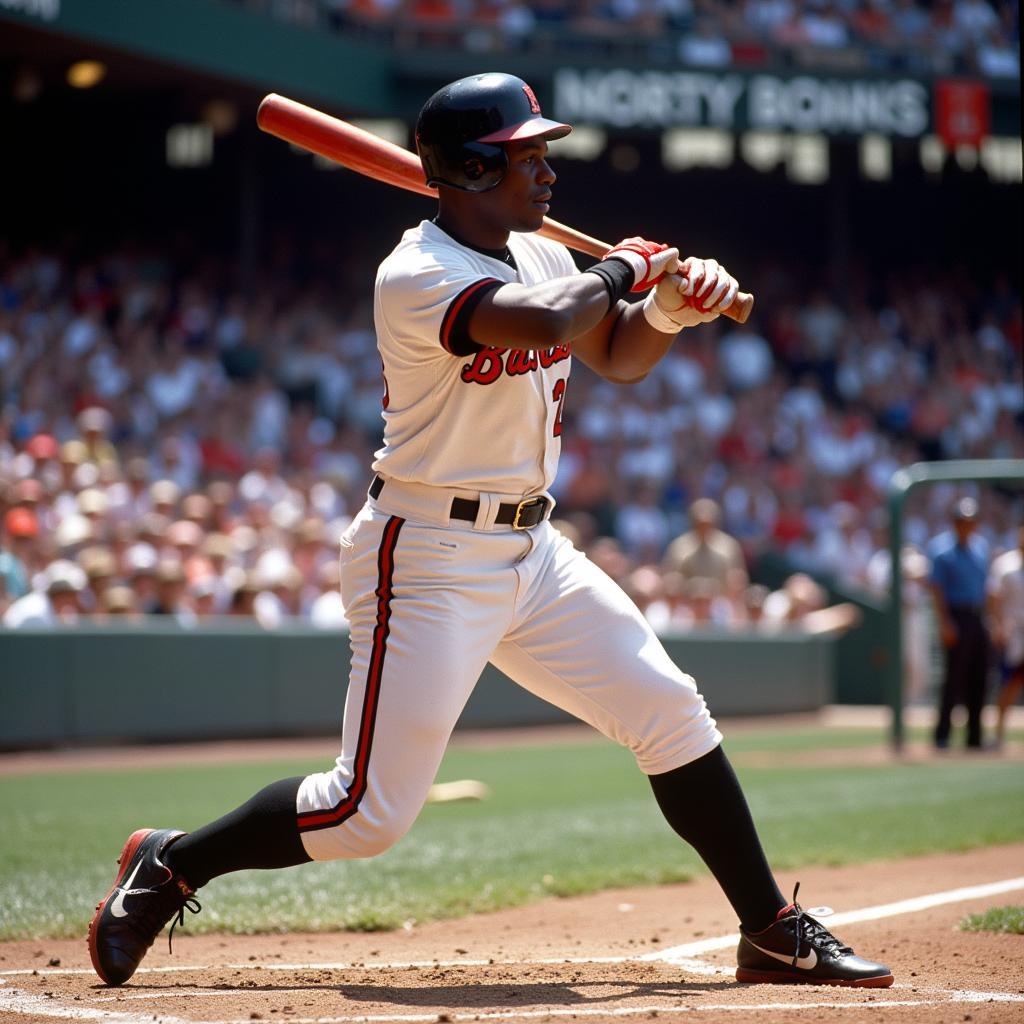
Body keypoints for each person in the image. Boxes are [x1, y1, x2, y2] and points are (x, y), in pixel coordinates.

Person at [88, 72, 892, 991]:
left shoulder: (545, 255)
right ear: (468, 170)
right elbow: (546, 323)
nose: (546, 173)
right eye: (524, 157)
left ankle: (771, 927)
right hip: (426, 554)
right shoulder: (417, 272)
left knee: (669, 711)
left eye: (544, 154)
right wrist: (628, 269)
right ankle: (172, 860)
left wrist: (668, 309)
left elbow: (619, 353)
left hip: (534, 550)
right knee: (364, 815)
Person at [927, 496, 991, 749]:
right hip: (956, 616)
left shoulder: (981, 548)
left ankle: (974, 737)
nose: (968, 525)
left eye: (972, 520)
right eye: (963, 521)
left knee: (980, 677)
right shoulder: (941, 550)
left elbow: (985, 587)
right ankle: (942, 736)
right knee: (953, 678)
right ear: (954, 523)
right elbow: (936, 589)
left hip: (978, 616)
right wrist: (944, 622)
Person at [987, 523, 1024, 749]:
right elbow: (993, 598)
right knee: (1009, 683)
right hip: (1015, 633)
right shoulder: (1005, 565)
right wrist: (997, 625)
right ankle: (998, 735)